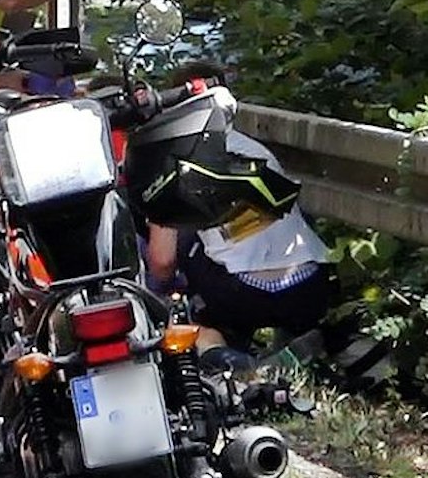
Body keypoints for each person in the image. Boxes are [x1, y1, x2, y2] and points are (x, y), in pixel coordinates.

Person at [144, 67, 337, 366]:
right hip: (309, 286)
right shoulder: (255, 149)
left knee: (187, 247)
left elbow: (162, 263)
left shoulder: (171, 164)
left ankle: (223, 353)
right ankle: (298, 340)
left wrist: (162, 292)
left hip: (241, 296)